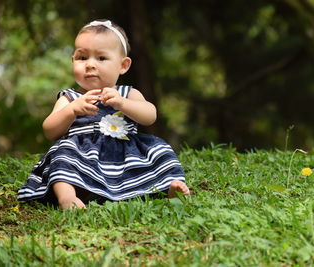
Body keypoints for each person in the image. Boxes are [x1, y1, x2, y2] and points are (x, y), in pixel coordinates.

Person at [18, 19, 190, 209]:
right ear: (73, 60)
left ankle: (168, 188)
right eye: (82, 58)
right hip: (83, 158)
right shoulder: (70, 98)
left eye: (101, 58)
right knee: (62, 153)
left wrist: (123, 103)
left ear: (123, 65)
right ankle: (68, 197)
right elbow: (50, 130)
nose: (90, 64)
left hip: (125, 158)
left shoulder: (128, 93)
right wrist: (72, 110)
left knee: (160, 150)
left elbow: (150, 115)